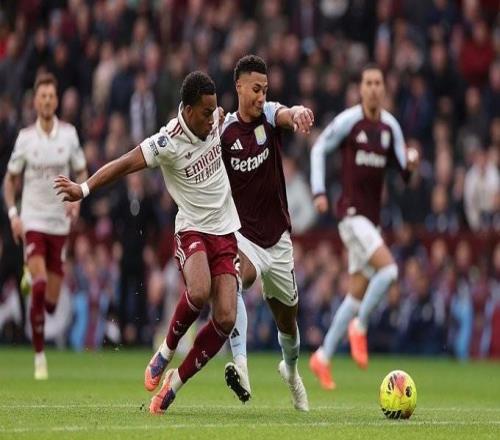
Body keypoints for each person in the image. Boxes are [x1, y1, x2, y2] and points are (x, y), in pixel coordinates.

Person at [54, 71, 241, 414]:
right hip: (193, 228)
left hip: (226, 231)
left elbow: (237, 117)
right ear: (187, 111)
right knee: (199, 291)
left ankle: (176, 382)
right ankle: (165, 351)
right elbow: (125, 163)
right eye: (205, 112)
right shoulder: (167, 141)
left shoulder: (214, 119)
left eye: (213, 110)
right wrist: (84, 188)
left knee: (227, 319)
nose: (211, 118)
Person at [309, 64, 419, 390]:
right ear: (360, 89)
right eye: (368, 83)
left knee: (356, 294)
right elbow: (318, 148)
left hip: (371, 221)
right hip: (351, 215)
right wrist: (319, 191)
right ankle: (361, 327)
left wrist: (412, 162)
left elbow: (404, 171)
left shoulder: (391, 127)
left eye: (378, 83)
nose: (373, 88)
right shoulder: (349, 121)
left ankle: (323, 356)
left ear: (384, 89)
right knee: (390, 271)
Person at [220, 55, 313, 411]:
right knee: (235, 279)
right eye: (256, 89)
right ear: (239, 86)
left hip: (278, 240)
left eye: (265, 90)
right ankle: (241, 368)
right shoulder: (225, 132)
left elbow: (286, 113)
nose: (261, 96)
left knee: (287, 323)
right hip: (244, 236)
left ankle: (291, 371)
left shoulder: (269, 116)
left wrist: (299, 112)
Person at [3, 72, 88, 380]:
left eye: (52, 96)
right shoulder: (25, 139)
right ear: (36, 102)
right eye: (43, 96)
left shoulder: (69, 135)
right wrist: (14, 215)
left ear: (57, 100)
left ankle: (33, 279)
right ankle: (39, 357)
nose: (48, 101)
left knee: (50, 304)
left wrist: (77, 201)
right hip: (34, 221)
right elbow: (9, 181)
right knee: (38, 284)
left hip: (59, 225)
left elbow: (81, 171)